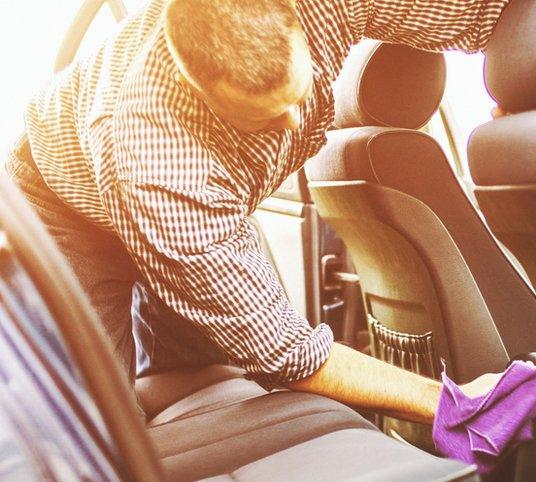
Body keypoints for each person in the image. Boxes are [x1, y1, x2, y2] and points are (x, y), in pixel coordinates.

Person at [5, 0, 509, 422]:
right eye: (264, 116)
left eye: (300, 89)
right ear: (197, 93)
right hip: (65, 207)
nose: (295, 125)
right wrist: (453, 405)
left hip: (179, 207)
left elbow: (482, 14)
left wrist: (515, 86)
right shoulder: (159, 164)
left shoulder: (322, 4)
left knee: (198, 368)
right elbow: (283, 353)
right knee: (101, 428)